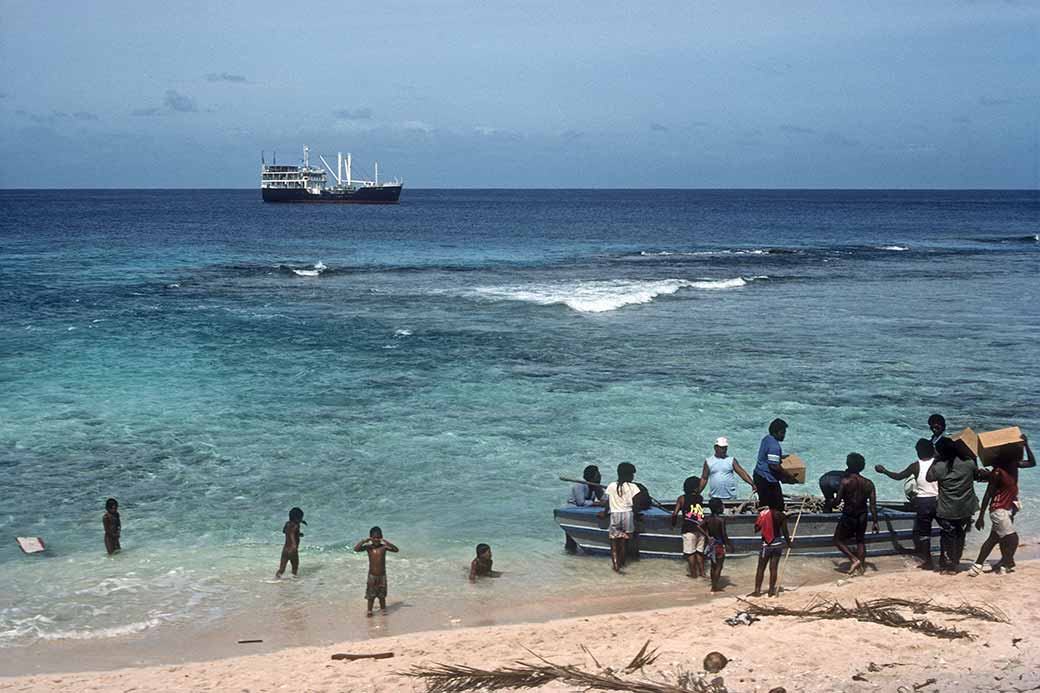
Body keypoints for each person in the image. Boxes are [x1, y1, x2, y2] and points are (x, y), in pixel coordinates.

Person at [971, 436, 1035, 575]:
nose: (1018, 457)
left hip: (1008, 508)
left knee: (994, 538)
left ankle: (977, 566)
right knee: (1012, 539)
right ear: (1009, 457)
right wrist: (981, 516)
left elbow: (1032, 463)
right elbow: (988, 494)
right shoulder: (998, 472)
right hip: (998, 509)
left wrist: (1026, 445)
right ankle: (1007, 562)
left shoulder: (1014, 465)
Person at [875, 439, 938, 570]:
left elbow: (899, 476)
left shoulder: (915, 466)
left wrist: (884, 471)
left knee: (924, 533)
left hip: (923, 502)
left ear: (918, 452)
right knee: (945, 527)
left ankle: (928, 561)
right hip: (939, 501)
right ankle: (945, 558)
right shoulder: (938, 463)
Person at [926, 437, 982, 574]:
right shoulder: (968, 463)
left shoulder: (940, 467)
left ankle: (950, 564)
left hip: (948, 509)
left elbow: (928, 477)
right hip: (966, 507)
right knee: (960, 533)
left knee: (948, 535)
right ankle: (955, 561)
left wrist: (935, 459)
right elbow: (976, 474)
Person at [832, 453, 879, 575]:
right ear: (862, 467)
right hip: (862, 515)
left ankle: (854, 559)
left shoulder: (845, 482)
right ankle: (861, 569)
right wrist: (875, 522)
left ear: (848, 465)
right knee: (860, 540)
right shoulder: (869, 483)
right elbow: (873, 505)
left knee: (837, 540)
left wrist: (829, 503)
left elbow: (837, 502)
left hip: (849, 514)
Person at [601, 462, 639, 573]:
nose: (633, 477)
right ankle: (622, 564)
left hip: (615, 515)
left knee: (613, 543)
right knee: (624, 541)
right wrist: (636, 514)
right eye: (632, 474)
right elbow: (636, 503)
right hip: (628, 514)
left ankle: (616, 566)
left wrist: (604, 512)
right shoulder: (633, 487)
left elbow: (608, 502)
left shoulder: (611, 486)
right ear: (628, 475)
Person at [354, 527, 399, 616]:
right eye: (374, 537)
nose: (376, 539)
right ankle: (369, 611)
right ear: (370, 538)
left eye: (378, 537)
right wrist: (364, 541)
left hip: (382, 576)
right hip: (372, 575)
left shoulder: (384, 547)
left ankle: (383, 610)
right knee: (371, 596)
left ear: (381, 537)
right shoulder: (369, 547)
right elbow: (356, 549)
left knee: (382, 596)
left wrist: (387, 542)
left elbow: (396, 550)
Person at [697, 437, 755, 501]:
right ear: (715, 447)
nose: (724, 450)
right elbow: (704, 478)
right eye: (721, 448)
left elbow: (742, 473)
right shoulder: (709, 461)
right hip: (714, 497)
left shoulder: (731, 460)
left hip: (731, 497)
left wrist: (752, 484)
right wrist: (697, 493)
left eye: (725, 447)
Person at [671, 478, 707, 578]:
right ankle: (703, 573)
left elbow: (674, 514)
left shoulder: (681, 499)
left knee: (690, 553)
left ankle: (693, 574)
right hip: (701, 529)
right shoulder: (700, 498)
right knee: (699, 552)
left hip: (688, 529)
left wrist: (673, 523)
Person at [751, 506, 790, 597]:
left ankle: (757, 590)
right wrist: (789, 543)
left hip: (766, 545)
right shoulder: (781, 515)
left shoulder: (763, 514)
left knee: (761, 568)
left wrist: (761, 520)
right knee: (773, 568)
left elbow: (756, 529)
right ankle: (771, 590)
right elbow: (785, 532)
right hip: (777, 544)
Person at [566, 465, 605, 553]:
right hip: (572, 510)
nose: (600, 476)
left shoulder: (594, 485)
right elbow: (581, 502)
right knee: (571, 541)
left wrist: (598, 490)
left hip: (584, 510)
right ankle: (569, 555)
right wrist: (598, 503)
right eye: (598, 474)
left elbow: (603, 499)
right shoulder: (579, 484)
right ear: (592, 477)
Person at [754, 419, 792, 510]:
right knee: (778, 506)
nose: (784, 435)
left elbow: (768, 457)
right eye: (782, 432)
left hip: (758, 475)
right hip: (767, 480)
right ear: (775, 433)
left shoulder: (767, 439)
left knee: (764, 504)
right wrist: (788, 475)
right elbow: (774, 466)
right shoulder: (774, 446)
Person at [703, 498, 733, 593]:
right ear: (719, 508)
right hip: (719, 545)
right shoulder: (721, 520)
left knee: (713, 566)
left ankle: (713, 585)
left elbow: (698, 526)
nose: (723, 507)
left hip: (711, 545)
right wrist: (728, 544)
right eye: (722, 505)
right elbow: (724, 534)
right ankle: (715, 587)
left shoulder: (707, 519)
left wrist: (707, 536)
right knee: (719, 566)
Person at [275, 507, 306, 578]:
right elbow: (292, 533)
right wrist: (294, 545)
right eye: (301, 518)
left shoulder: (287, 524)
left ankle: (276, 579)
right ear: (296, 518)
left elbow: (285, 531)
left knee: (281, 569)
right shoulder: (296, 525)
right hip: (292, 550)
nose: (301, 519)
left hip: (285, 550)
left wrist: (298, 534)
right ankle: (294, 581)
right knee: (295, 567)